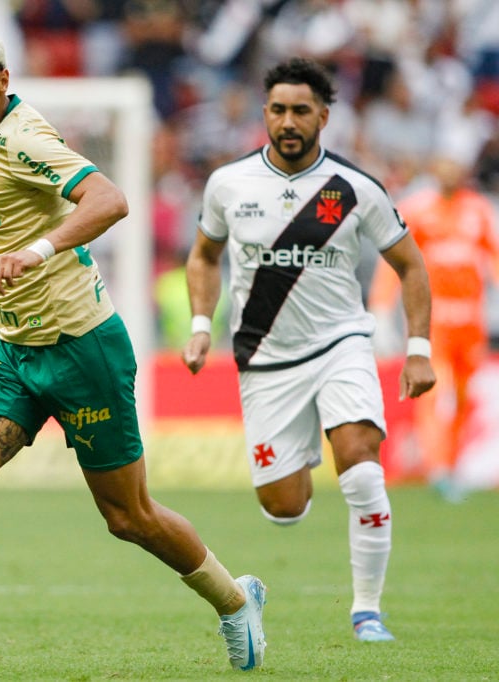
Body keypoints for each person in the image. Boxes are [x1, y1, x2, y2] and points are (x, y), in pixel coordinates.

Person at [0, 21, 266, 677]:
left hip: (83, 349)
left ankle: (236, 603)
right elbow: (20, 213)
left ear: (3, 81)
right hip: (17, 351)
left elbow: (107, 200)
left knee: (128, 516)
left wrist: (35, 251)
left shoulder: (23, 137)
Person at [182, 57, 436, 643]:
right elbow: (203, 255)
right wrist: (201, 323)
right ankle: (310, 454)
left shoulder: (355, 188)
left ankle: (367, 611)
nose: (288, 121)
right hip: (265, 359)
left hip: (340, 343)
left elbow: (411, 266)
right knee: (284, 507)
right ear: (264, 114)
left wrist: (418, 348)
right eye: (277, 110)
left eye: (300, 110)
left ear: (323, 115)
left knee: (361, 465)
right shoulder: (229, 183)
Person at [369, 150, 499, 502]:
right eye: (444, 163)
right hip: (433, 320)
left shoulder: (478, 210)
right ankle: (438, 468)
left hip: (471, 321)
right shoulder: (416, 209)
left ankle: (452, 467)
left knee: (462, 396)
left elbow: (494, 258)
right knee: (438, 394)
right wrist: (381, 309)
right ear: (434, 167)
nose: (450, 170)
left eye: (456, 163)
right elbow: (397, 262)